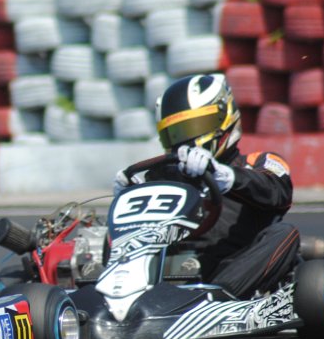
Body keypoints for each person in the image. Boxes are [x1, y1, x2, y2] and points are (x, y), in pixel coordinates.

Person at [113, 73, 300, 299]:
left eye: (196, 127)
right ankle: (116, 295)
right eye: (177, 133)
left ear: (224, 119)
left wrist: (228, 178)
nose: (188, 141)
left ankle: (218, 299)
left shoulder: (257, 163)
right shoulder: (161, 176)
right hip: (165, 275)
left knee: (285, 233)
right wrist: (126, 197)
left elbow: (278, 192)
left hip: (234, 270)